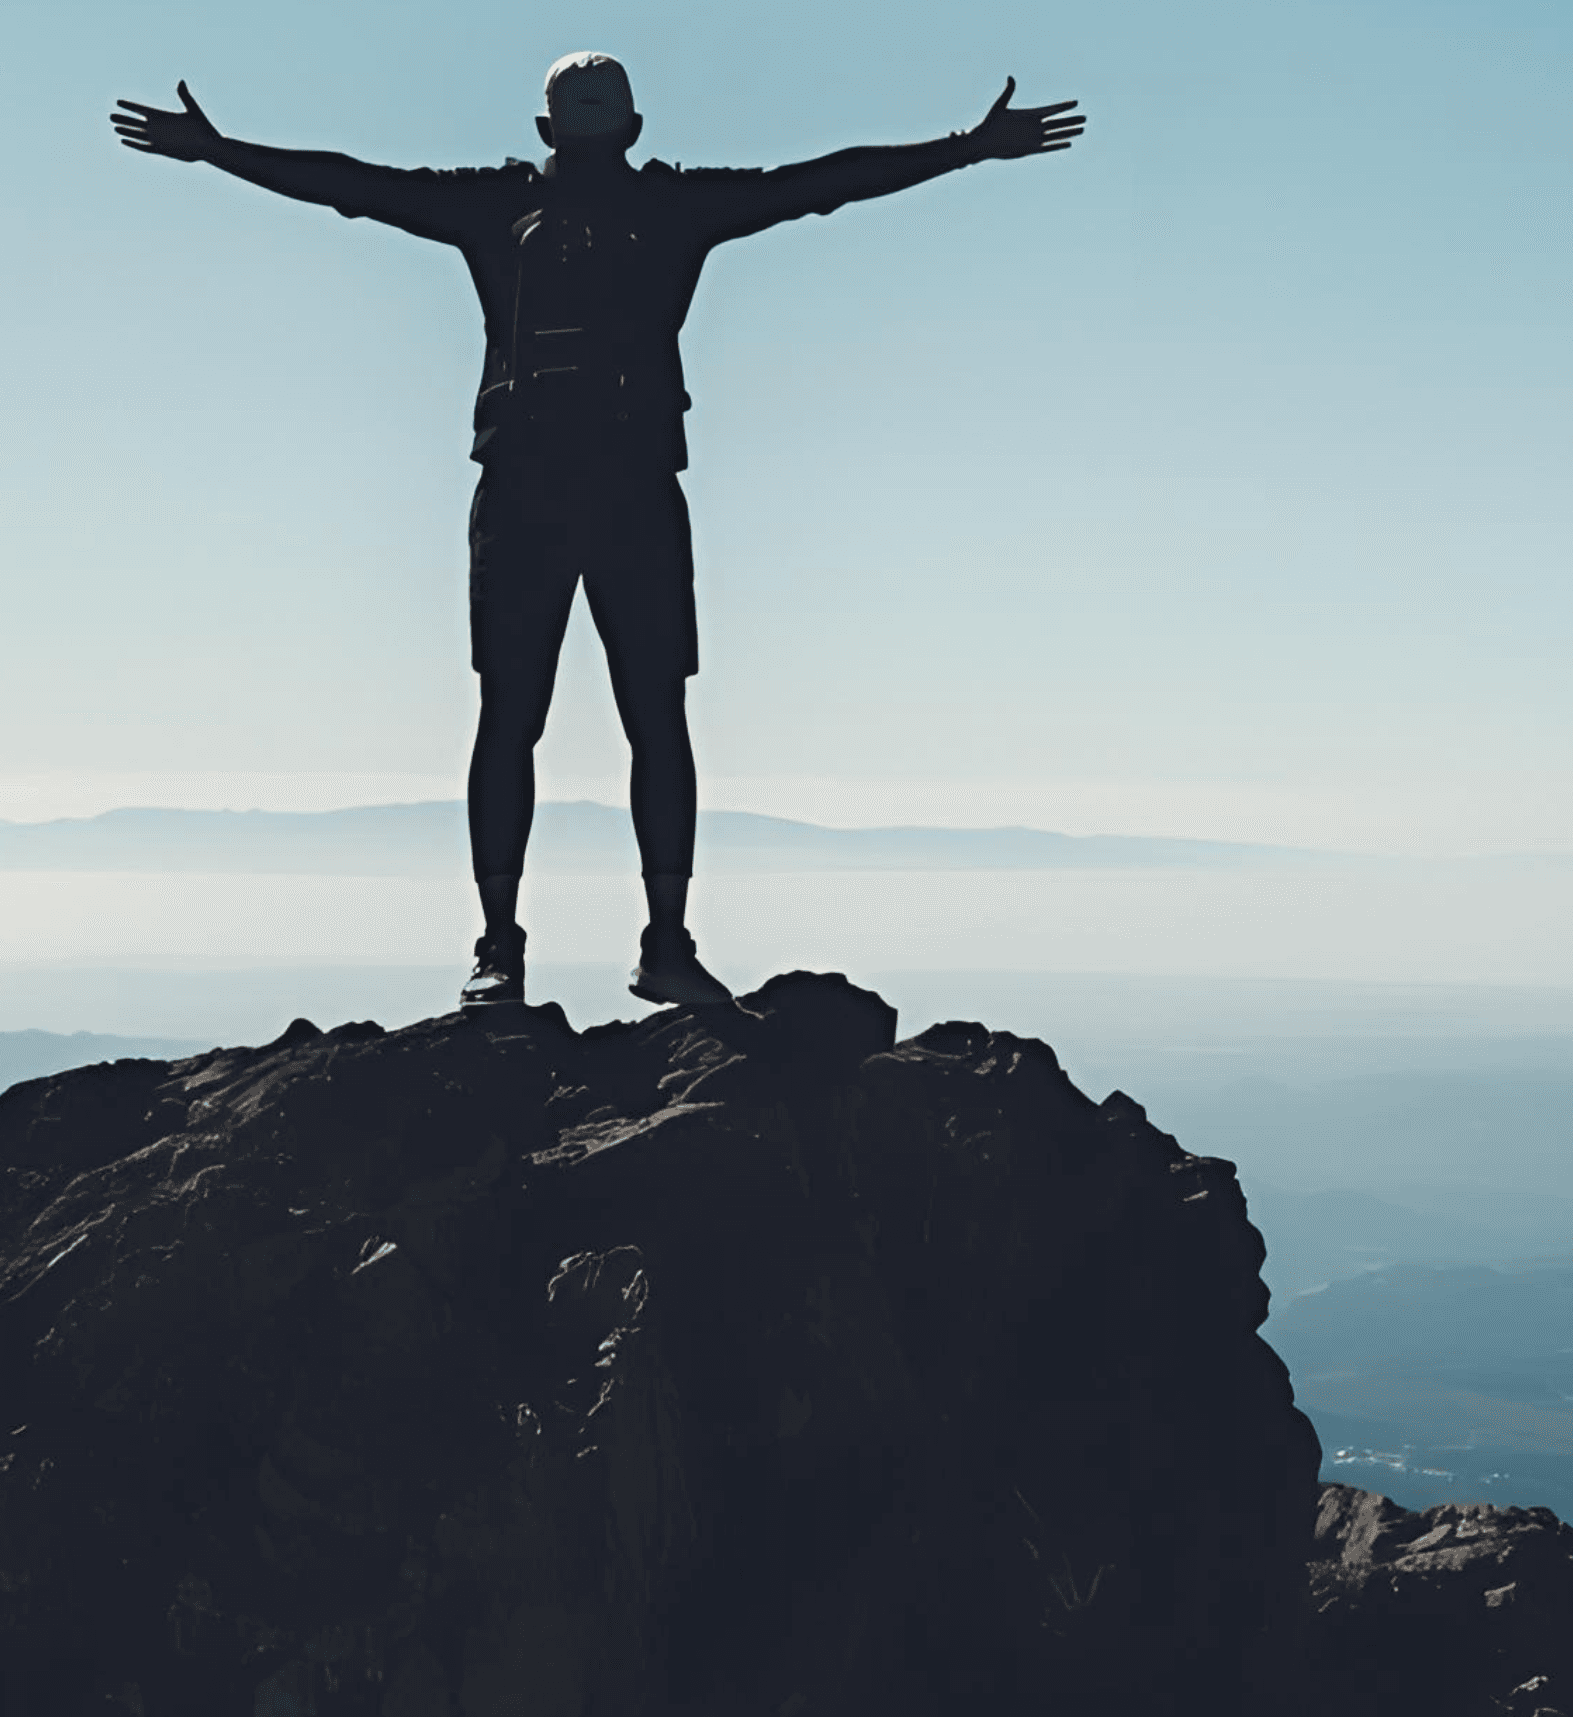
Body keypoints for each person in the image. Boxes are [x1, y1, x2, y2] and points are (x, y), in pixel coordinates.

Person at [111, 53, 1085, 1011]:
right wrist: (966, 146)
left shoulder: (493, 205)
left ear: (545, 130)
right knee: (652, 721)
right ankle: (664, 945)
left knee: (511, 720)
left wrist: (219, 151)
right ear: (634, 127)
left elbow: (353, 187)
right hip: (632, 489)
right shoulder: (676, 206)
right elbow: (821, 184)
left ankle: (500, 951)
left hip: (525, 488)